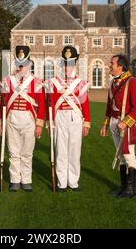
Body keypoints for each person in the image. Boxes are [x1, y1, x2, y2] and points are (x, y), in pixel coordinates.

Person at [0, 46, 45, 192]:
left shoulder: (36, 82)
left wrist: (39, 125)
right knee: (13, 152)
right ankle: (14, 180)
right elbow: (3, 104)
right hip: (12, 118)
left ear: (28, 64)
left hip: (29, 119)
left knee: (27, 152)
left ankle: (26, 180)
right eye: (18, 64)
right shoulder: (8, 81)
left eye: (22, 64)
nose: (20, 68)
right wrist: (1, 122)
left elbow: (41, 104)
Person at [100, 55, 136, 198]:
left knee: (129, 155)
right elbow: (109, 106)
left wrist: (125, 122)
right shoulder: (113, 82)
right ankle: (123, 186)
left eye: (111, 63)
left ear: (120, 66)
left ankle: (131, 189)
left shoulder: (132, 82)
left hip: (126, 124)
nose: (109, 66)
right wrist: (105, 124)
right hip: (114, 121)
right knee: (120, 156)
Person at [48, 46, 90, 192]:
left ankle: (73, 182)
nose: (68, 67)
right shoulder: (54, 82)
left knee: (74, 151)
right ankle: (62, 183)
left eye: (71, 64)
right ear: (62, 64)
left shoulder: (81, 83)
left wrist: (86, 123)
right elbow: (52, 104)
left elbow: (85, 104)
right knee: (60, 150)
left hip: (76, 117)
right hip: (60, 116)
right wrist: (50, 123)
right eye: (66, 64)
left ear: (74, 65)